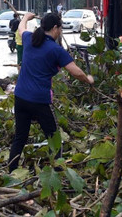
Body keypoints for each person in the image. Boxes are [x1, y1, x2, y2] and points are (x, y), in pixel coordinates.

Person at [9, 11, 93, 170]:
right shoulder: (56, 50)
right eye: (60, 29)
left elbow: (21, 28)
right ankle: (58, 171)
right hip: (39, 100)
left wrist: (26, 17)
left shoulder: (29, 39)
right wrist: (88, 80)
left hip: (20, 97)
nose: (60, 32)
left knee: (20, 137)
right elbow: (75, 71)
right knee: (54, 138)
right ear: (55, 28)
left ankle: (11, 171)